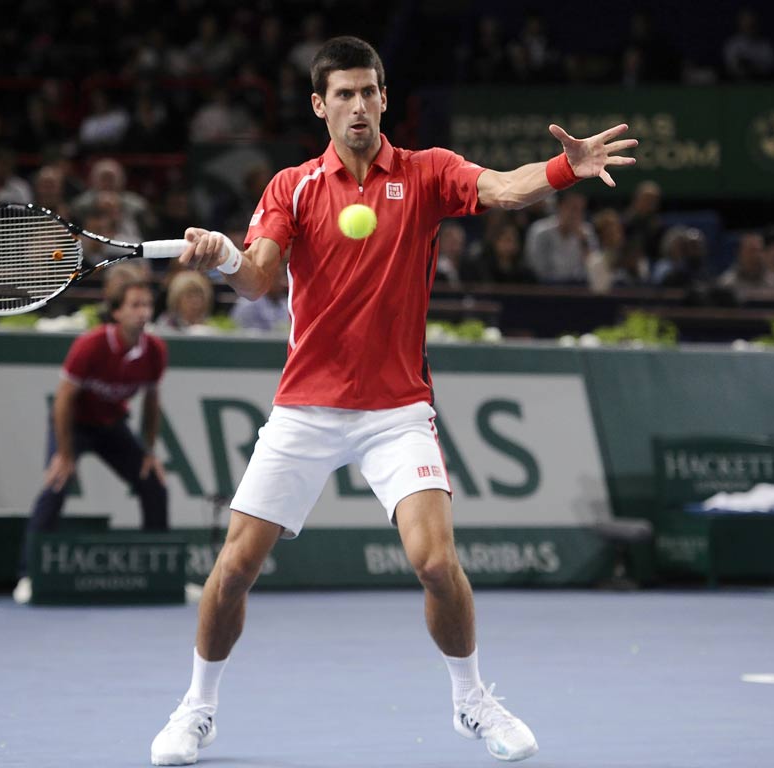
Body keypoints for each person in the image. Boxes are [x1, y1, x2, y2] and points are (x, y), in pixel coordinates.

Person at [150, 36, 636, 765]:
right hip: (305, 407)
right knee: (234, 568)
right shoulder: (292, 187)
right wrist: (222, 256)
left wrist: (569, 166)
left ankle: (471, 699)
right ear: (320, 106)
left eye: (368, 92)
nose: (357, 105)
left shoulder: (427, 172)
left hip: (396, 410)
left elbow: (504, 187)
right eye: (342, 94)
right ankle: (197, 708)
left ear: (383, 99)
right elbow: (255, 279)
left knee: (436, 562)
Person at [12, 268, 169, 604]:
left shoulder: (155, 350)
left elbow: (152, 403)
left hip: (112, 426)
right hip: (75, 425)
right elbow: (64, 400)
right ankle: (28, 575)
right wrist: (65, 454)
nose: (143, 312)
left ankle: (161, 576)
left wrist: (149, 452)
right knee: (57, 483)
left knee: (152, 483)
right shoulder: (91, 345)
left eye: (147, 305)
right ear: (116, 312)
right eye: (135, 305)